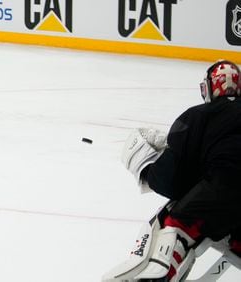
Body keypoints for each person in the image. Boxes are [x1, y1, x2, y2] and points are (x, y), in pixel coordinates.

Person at [102, 60, 241, 281]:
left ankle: (158, 275)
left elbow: (171, 181)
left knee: (175, 222)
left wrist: (148, 171)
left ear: (212, 87)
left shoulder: (198, 115)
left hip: (223, 188)